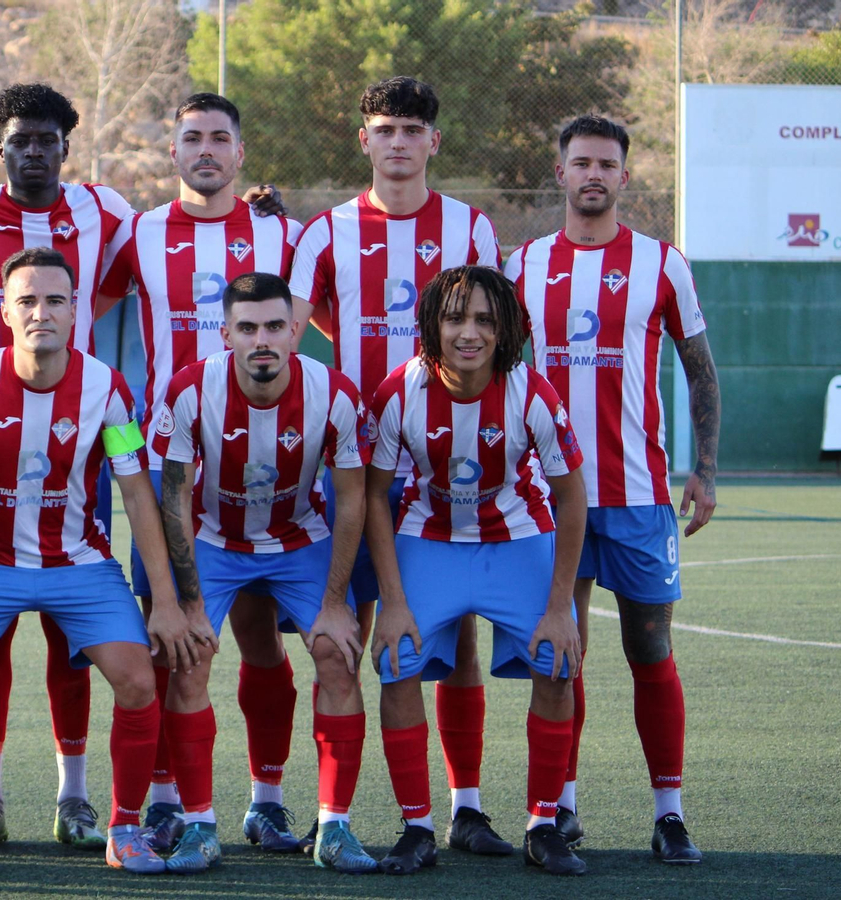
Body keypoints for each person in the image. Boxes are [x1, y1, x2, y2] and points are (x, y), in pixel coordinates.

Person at [0, 247, 198, 875]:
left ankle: (123, 828)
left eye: (55, 300)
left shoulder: (106, 388)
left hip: (78, 563)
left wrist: (165, 602)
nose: (41, 312)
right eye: (26, 301)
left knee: (140, 680)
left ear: (74, 310)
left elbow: (139, 495)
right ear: (4, 312)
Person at [288, 76, 510, 853]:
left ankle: (466, 807)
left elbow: (494, 326)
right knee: (342, 637)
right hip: (352, 463)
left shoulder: (471, 229)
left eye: (413, 129)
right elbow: (300, 318)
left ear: (433, 143)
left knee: (457, 643)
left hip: (449, 458)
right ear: (365, 141)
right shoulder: (325, 233)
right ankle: (335, 812)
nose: (399, 142)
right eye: (385, 129)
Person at [503, 114, 719, 864]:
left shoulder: (663, 263)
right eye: (581, 162)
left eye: (607, 164)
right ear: (559, 174)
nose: (594, 174)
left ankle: (670, 813)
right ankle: (559, 806)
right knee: (563, 653)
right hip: (551, 496)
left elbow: (699, 368)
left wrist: (707, 467)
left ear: (625, 177)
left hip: (639, 493)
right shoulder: (521, 265)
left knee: (650, 649)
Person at [95, 92, 307, 854]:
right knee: (168, 640)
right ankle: (164, 801)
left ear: (241, 154)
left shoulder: (282, 232)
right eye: (193, 138)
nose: (207, 149)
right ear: (174, 151)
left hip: (267, 463)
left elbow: (317, 321)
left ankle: (268, 799)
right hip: (164, 466)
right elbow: (78, 301)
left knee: (258, 635)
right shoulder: (141, 234)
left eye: (221, 137)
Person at [150, 272, 377, 874]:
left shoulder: (336, 394)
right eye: (247, 328)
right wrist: (190, 601)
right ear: (225, 334)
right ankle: (199, 825)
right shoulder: (191, 389)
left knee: (335, 651)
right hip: (215, 539)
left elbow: (352, 499)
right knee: (191, 654)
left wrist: (334, 602)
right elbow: (173, 497)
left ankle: (335, 827)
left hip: (301, 537)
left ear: (296, 330)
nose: (262, 341)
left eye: (275, 326)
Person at [365, 265, 589, 876]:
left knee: (559, 661)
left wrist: (559, 606)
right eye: (456, 317)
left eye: (486, 320)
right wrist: (394, 600)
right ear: (432, 325)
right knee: (395, 660)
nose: (470, 333)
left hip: (514, 540)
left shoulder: (530, 392)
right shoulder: (399, 392)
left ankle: (544, 825)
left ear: (505, 330)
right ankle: (417, 827)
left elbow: (572, 499)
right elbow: (375, 498)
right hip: (428, 536)